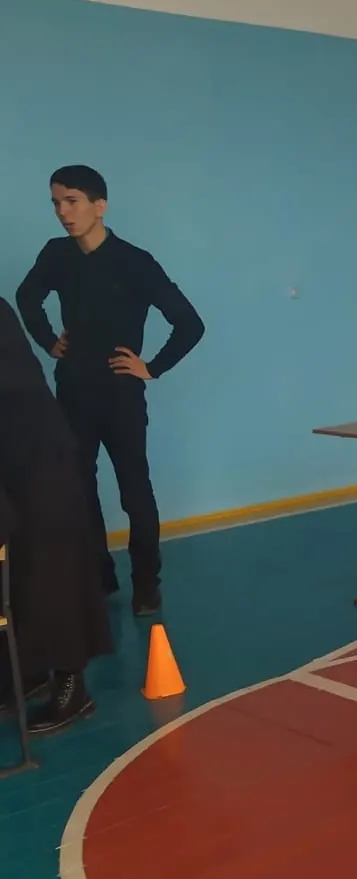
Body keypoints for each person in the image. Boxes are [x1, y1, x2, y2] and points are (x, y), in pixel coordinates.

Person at [16, 164, 205, 617]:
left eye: (72, 201)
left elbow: (190, 323)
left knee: (134, 490)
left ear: (99, 206)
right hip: (72, 392)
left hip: (120, 395)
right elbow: (26, 298)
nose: (63, 212)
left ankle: (147, 585)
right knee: (79, 487)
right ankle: (99, 578)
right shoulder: (56, 255)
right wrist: (48, 340)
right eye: (56, 203)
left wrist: (152, 368)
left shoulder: (135, 262)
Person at [0, 296, 112, 734]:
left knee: (52, 574)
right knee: (15, 574)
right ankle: (25, 674)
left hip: (39, 461)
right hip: (12, 463)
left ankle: (72, 686)